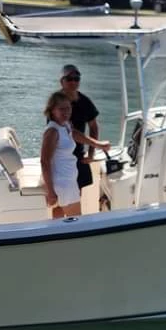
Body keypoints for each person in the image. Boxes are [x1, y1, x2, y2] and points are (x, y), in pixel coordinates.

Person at [41, 91, 109, 218]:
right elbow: (44, 162)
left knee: (59, 217)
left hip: (69, 180)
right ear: (52, 110)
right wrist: (50, 192)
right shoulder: (52, 131)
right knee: (78, 220)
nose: (66, 112)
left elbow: (75, 134)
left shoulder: (65, 125)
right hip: (62, 184)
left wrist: (98, 144)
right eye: (61, 109)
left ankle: (59, 237)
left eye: (68, 108)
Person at [58, 64, 100, 192]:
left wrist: (91, 153)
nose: (73, 82)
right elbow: (68, 131)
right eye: (69, 78)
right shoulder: (56, 102)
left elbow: (93, 127)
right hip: (59, 156)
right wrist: (98, 144)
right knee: (59, 201)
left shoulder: (85, 101)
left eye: (76, 78)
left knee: (77, 193)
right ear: (62, 81)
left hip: (77, 155)